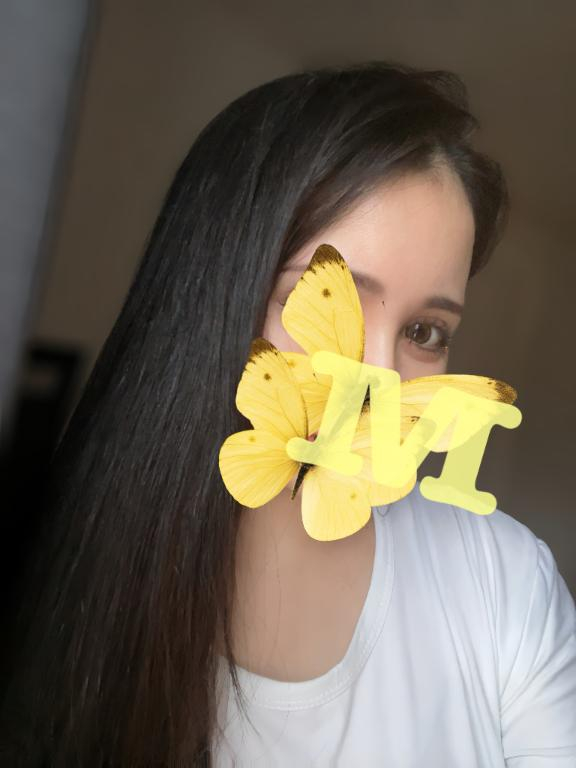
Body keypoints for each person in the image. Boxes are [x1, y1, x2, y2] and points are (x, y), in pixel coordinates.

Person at [1, 61, 574, 767]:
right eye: (326, 301)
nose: (379, 377)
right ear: (211, 298)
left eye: (425, 331)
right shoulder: (69, 602)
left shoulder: (505, 586)